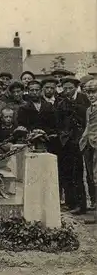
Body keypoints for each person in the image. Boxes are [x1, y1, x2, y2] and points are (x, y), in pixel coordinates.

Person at [56, 76, 90, 214]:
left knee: (78, 173)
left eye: (70, 88)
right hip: (66, 141)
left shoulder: (84, 99)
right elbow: (58, 121)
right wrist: (62, 135)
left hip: (81, 140)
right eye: (65, 88)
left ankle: (81, 205)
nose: (67, 90)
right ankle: (71, 203)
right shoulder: (61, 102)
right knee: (67, 173)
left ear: (76, 87)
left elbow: (87, 117)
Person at [79, 79, 97, 224]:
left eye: (94, 92)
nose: (91, 95)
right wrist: (82, 142)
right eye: (89, 92)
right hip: (88, 146)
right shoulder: (88, 109)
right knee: (91, 178)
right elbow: (87, 127)